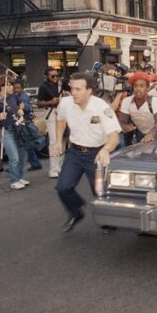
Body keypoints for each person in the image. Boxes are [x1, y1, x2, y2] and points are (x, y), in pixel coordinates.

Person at [52, 73, 120, 234]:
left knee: (99, 191)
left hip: (96, 154)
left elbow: (114, 137)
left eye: (78, 89)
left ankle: (108, 220)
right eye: (71, 89)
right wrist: (58, 140)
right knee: (63, 187)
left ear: (89, 91)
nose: (73, 92)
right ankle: (76, 213)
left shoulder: (101, 107)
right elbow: (60, 119)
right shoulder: (66, 103)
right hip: (75, 152)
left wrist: (106, 149)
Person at [0, 76, 28, 190]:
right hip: (6, 131)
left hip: (18, 128)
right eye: (10, 85)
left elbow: (21, 103)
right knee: (14, 157)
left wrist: (20, 109)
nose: (12, 87)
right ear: (2, 87)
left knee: (22, 154)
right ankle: (14, 180)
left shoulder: (13, 96)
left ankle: (19, 177)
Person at [118, 72, 157, 144]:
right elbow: (122, 121)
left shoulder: (154, 101)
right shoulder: (126, 101)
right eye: (135, 86)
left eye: (142, 86)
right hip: (141, 135)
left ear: (147, 88)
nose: (138, 89)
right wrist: (125, 127)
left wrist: (151, 134)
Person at [38, 68, 64, 179]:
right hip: (51, 112)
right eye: (52, 76)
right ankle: (53, 168)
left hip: (62, 112)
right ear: (46, 76)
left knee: (63, 139)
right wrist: (51, 102)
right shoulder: (43, 87)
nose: (55, 78)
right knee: (54, 141)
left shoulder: (60, 84)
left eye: (57, 75)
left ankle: (60, 166)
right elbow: (39, 103)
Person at [13, 80, 43, 172]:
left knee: (24, 144)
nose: (16, 89)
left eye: (18, 88)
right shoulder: (19, 96)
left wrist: (21, 108)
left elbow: (27, 108)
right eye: (15, 88)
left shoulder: (23, 97)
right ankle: (35, 163)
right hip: (24, 122)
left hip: (24, 122)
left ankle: (17, 165)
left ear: (22, 88)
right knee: (27, 144)